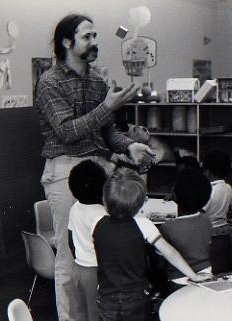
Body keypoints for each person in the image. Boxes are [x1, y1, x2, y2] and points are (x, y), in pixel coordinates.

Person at [35, 14, 154, 321]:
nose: (94, 42)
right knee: (69, 258)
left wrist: (129, 145)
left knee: (101, 251)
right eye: (87, 36)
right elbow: (67, 132)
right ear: (67, 42)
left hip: (97, 169)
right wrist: (107, 108)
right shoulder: (49, 82)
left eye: (95, 36)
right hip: (64, 170)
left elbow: (106, 132)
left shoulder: (98, 80)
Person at [93, 168, 209, 321]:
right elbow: (170, 253)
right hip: (137, 298)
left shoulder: (97, 223)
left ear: (104, 200)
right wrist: (193, 275)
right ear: (141, 204)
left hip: (106, 297)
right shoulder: (143, 224)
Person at [159, 168, 213, 294]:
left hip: (178, 280)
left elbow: (160, 263)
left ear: (175, 195)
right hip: (206, 273)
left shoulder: (168, 227)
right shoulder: (206, 220)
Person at [67, 160, 107, 321]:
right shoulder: (103, 214)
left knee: (80, 311)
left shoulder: (75, 207)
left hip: (79, 269)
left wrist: (79, 258)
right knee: (96, 313)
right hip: (97, 271)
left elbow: (70, 239)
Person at [201, 150, 232, 273]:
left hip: (210, 235)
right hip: (224, 234)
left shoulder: (208, 189)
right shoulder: (228, 187)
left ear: (207, 172)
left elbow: (202, 211)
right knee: (224, 268)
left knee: (212, 268)